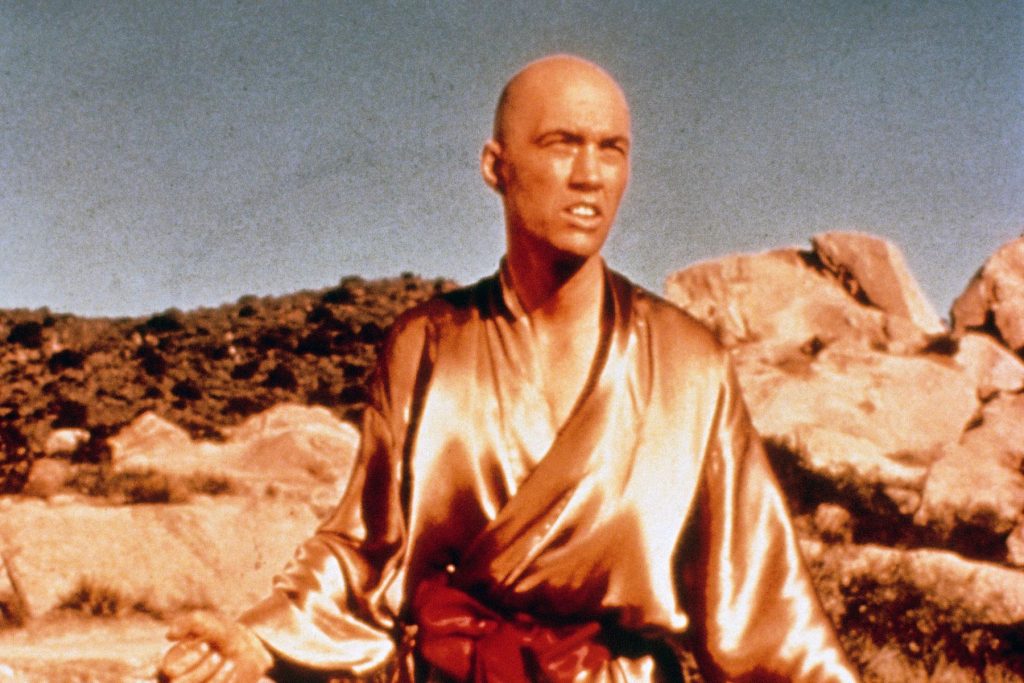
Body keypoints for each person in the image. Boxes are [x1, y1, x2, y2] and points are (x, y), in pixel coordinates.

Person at [159, 54, 860, 682]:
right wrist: (260, 640)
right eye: (561, 143)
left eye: (611, 149)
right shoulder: (428, 344)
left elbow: (765, 606)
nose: (589, 174)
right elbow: (367, 548)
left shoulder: (687, 361)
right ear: (496, 166)